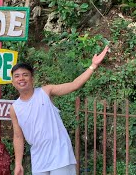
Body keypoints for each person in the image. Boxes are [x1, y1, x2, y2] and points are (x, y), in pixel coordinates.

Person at [10, 46, 110, 175]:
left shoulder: (46, 92)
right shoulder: (15, 108)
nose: (21, 79)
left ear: (32, 78)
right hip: (39, 159)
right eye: (17, 76)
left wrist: (93, 66)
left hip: (60, 154)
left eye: (25, 75)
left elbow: (74, 85)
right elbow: (18, 136)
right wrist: (18, 164)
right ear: (13, 82)